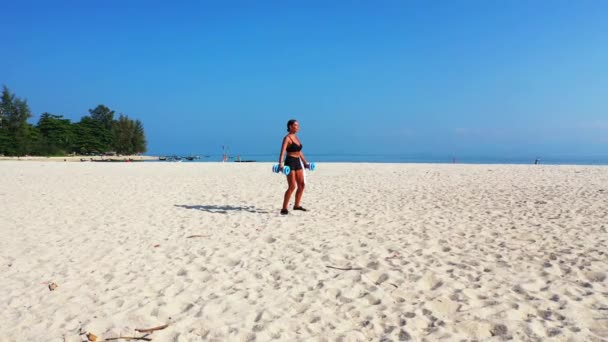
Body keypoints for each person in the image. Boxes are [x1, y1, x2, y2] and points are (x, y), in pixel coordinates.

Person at [278, 119, 311, 215]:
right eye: (296, 125)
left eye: (298, 125)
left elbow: (299, 151)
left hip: (298, 162)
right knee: (292, 186)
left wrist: (305, 163)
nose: (298, 127)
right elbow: (283, 151)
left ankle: (296, 206)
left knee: (301, 185)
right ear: (290, 127)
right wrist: (280, 164)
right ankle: (284, 208)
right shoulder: (287, 138)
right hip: (290, 162)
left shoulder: (296, 137)